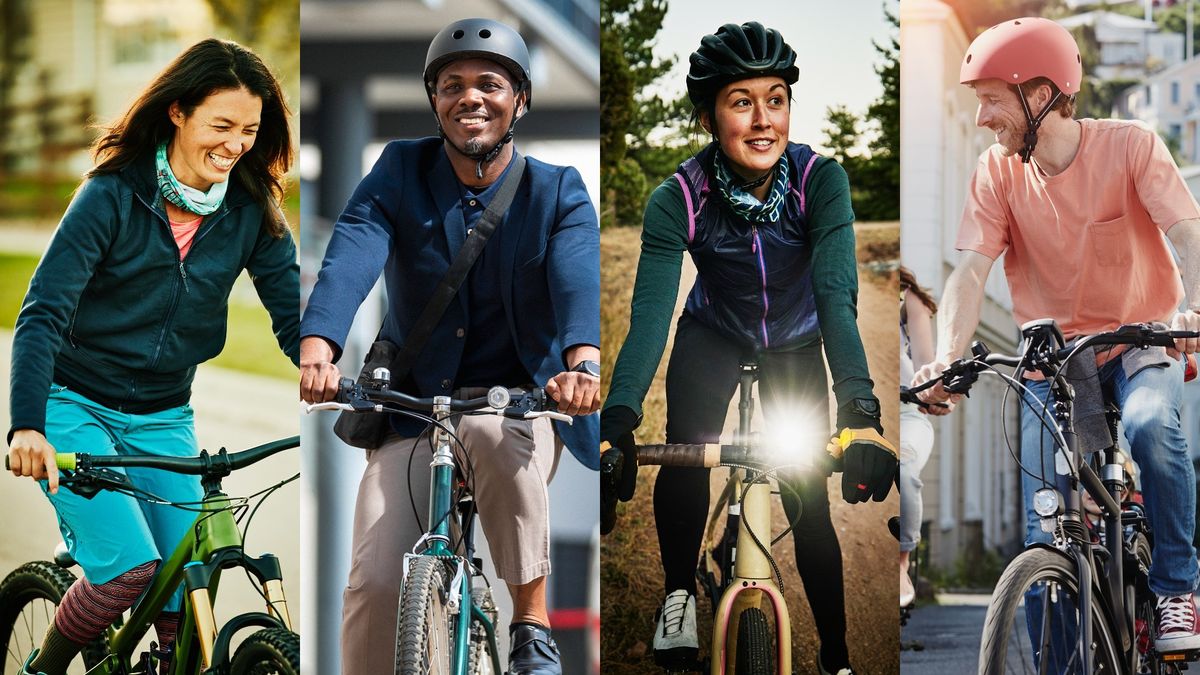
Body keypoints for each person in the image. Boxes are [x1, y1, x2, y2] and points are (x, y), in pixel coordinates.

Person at [298, 17, 600, 675]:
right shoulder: (401, 170)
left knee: (490, 433)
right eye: (453, 85)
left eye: (490, 83)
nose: (472, 97)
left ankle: (531, 622)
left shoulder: (557, 192)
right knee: (375, 582)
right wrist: (318, 348)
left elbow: (577, 274)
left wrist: (583, 363)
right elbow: (353, 248)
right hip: (413, 409)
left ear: (519, 99)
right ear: (434, 100)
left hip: (519, 409)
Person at [600, 22, 896, 675]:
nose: (764, 120)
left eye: (776, 98)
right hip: (714, 332)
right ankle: (678, 591)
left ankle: (838, 656)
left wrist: (861, 412)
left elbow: (837, 299)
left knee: (808, 496)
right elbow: (650, 313)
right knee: (684, 449)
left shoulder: (821, 182)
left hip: (796, 341)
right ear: (709, 116)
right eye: (741, 101)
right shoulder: (677, 195)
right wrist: (616, 422)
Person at [5, 39, 299, 675]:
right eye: (220, 125)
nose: (235, 144)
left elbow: (293, 315)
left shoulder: (252, 210)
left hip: (165, 415)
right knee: (129, 572)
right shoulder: (111, 195)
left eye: (249, 130)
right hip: (72, 405)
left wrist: (324, 368)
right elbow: (43, 312)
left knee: (186, 583)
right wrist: (26, 422)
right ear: (178, 113)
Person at [912, 16, 1200, 653]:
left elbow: (1187, 233)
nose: (984, 117)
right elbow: (971, 269)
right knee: (1047, 540)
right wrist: (946, 358)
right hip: (1054, 364)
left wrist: (1195, 308)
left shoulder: (1132, 146)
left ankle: (1179, 588)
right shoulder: (996, 173)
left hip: (1138, 343)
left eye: (991, 99)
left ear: (1038, 95)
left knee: (1153, 426)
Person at [899, 266, 946, 609]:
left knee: (904, 468)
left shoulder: (907, 295)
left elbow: (925, 365)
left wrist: (934, 394)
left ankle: (900, 562)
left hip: (907, 414)